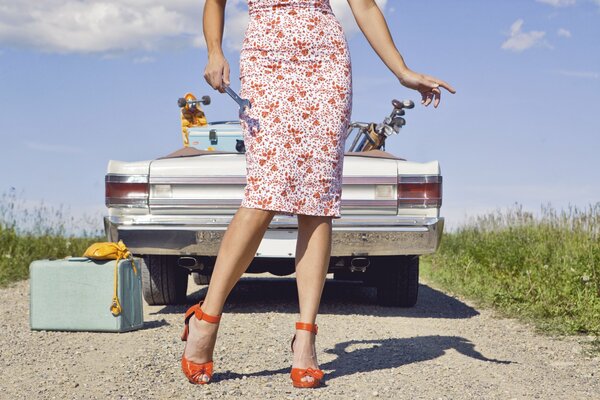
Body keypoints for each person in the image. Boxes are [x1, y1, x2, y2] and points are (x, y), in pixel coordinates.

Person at [181, 0, 456, 388]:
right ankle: (206, 319)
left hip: (326, 65)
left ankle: (306, 336)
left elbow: (363, 6)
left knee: (319, 200)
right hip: (267, 61)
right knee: (264, 194)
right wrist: (214, 51)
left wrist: (402, 71)